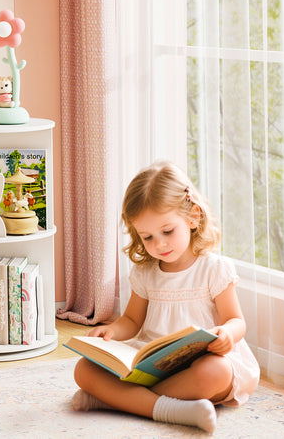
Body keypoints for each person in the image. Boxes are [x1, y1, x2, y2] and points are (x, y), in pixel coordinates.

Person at [71, 161, 260, 433]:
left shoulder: (213, 269)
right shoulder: (145, 272)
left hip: (198, 365)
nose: (159, 244)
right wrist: (111, 331)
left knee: (215, 372)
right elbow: (132, 320)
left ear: (193, 216)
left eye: (167, 231)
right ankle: (169, 408)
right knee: (83, 369)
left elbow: (236, 320)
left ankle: (118, 401)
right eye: (147, 237)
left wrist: (227, 333)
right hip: (151, 364)